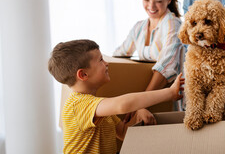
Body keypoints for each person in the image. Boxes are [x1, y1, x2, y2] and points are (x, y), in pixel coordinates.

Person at [48, 39, 184, 154]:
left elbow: (124, 133)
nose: (106, 63)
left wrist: (138, 114)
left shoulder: (100, 108)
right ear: (83, 75)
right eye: (101, 60)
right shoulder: (77, 105)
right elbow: (122, 105)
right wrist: (169, 93)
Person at [113, 0, 183, 92]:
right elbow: (119, 54)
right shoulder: (139, 28)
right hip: (147, 97)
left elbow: (167, 65)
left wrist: (144, 100)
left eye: (158, 1)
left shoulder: (173, 24)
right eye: (146, 0)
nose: (151, 7)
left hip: (169, 98)